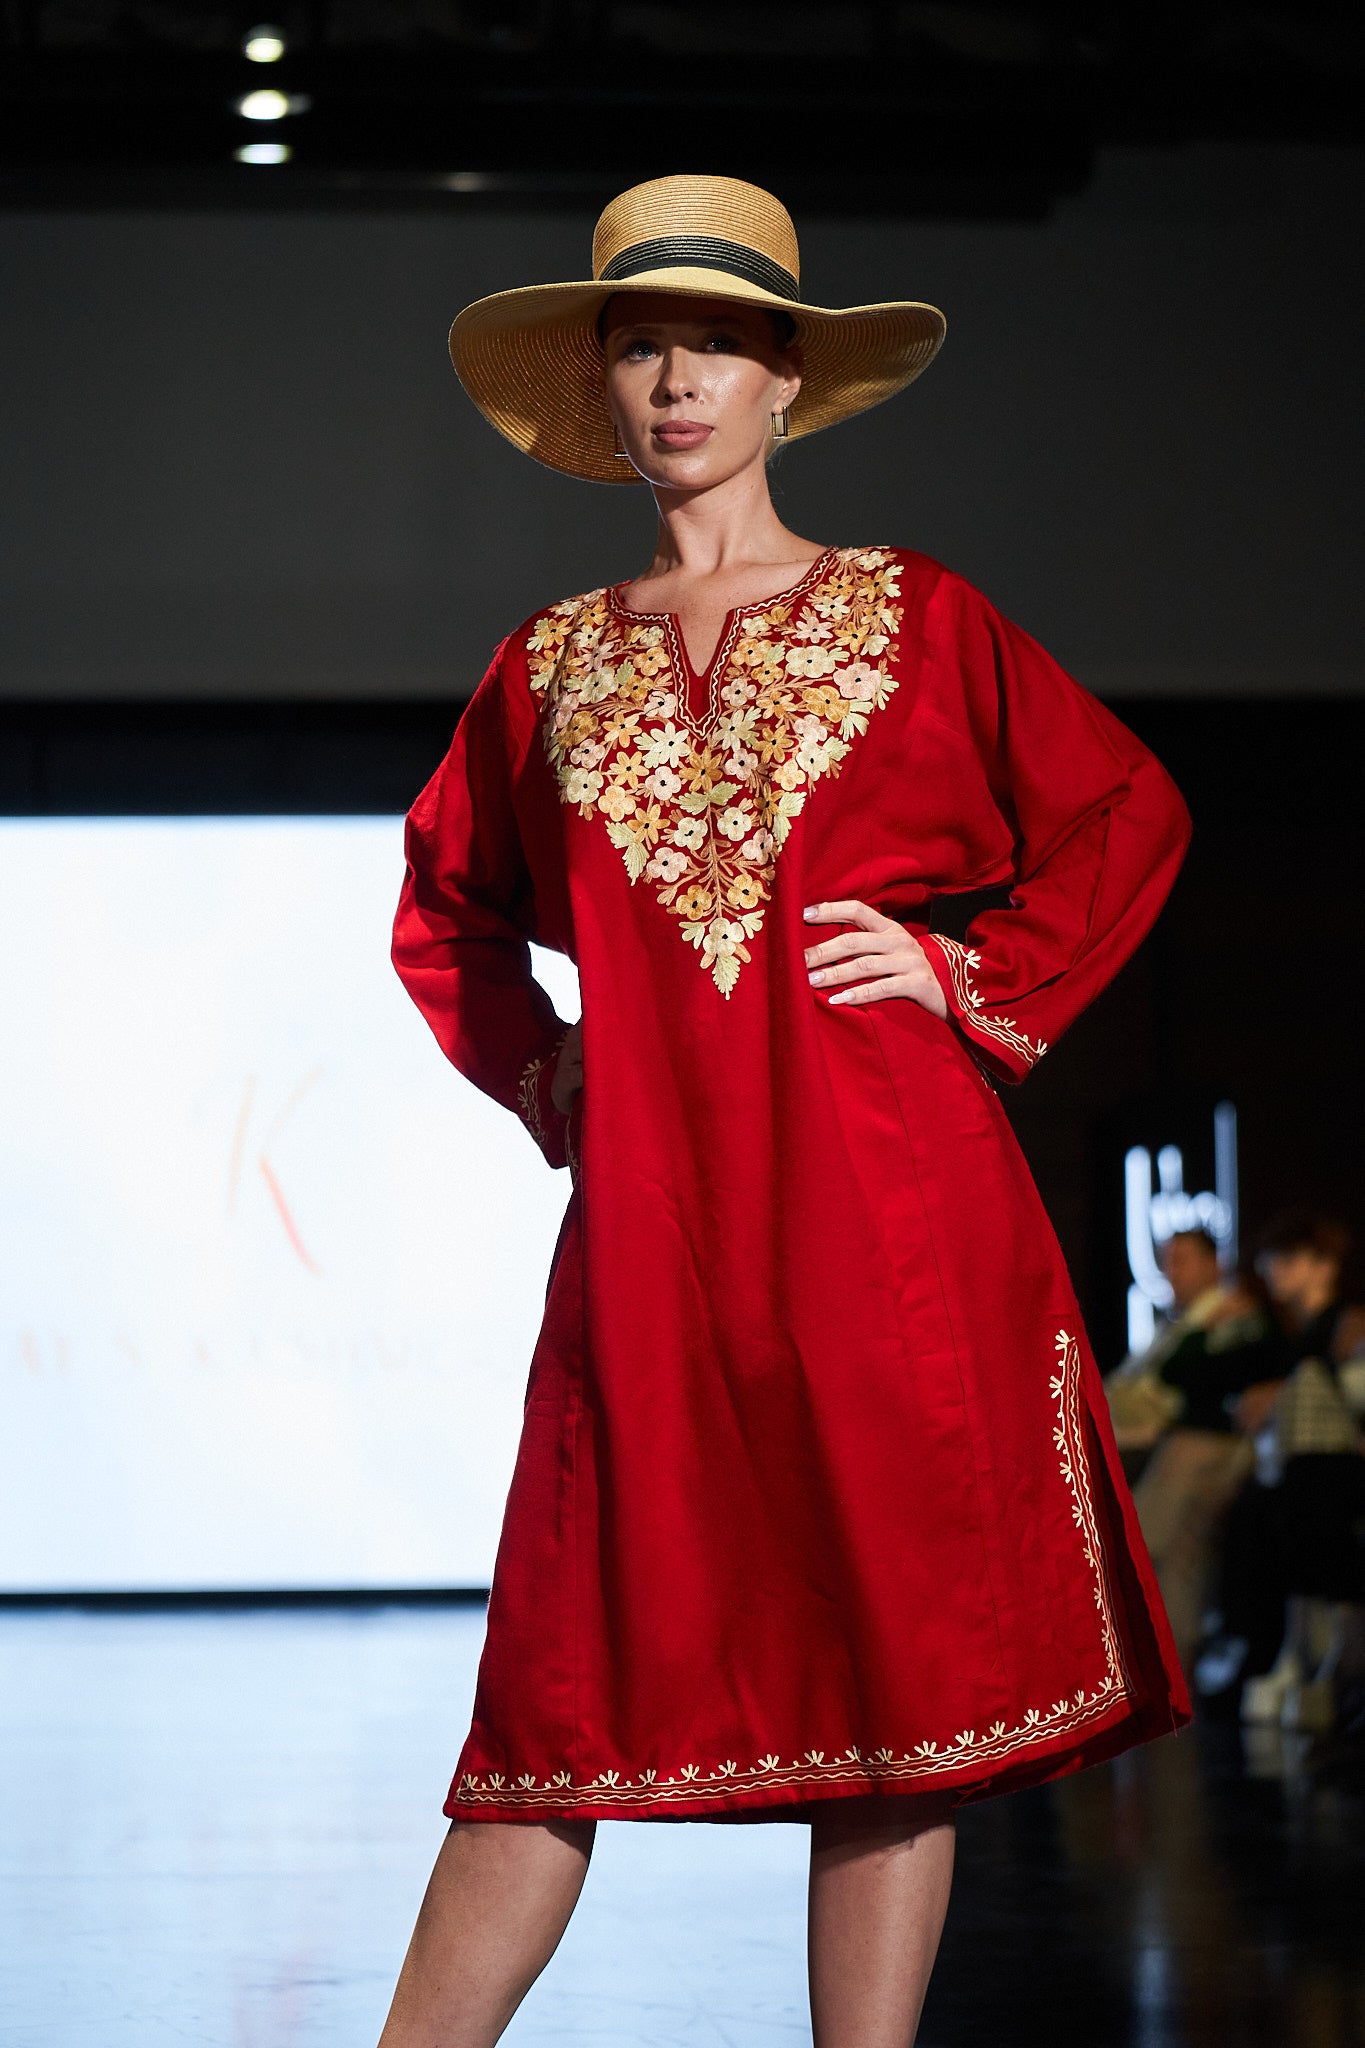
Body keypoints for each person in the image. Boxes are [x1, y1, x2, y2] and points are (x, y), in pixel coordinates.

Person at [383, 173, 1195, 2048]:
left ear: (785, 384)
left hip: (889, 1220)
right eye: (645, 343)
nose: (681, 377)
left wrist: (965, 981)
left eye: (723, 343)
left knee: (890, 1690)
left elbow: (1124, 812)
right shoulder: (549, 666)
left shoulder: (916, 620)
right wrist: (541, 1060)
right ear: (604, 383)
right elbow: (445, 910)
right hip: (655, 1242)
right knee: (550, 1710)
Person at [1117, 1230, 1288, 1672]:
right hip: (1171, 1447)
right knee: (1177, 1559)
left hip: (1209, 1446)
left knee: (1158, 1548)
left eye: (1183, 1260)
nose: (1172, 1272)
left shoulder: (1234, 1316)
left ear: (1215, 1264)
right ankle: (1171, 1660)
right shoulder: (1181, 1322)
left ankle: (1169, 1662)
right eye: (1167, 1261)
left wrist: (1198, 1338)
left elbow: (1188, 1373)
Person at [1238, 1211, 1365, 1731]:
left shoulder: (1344, 1324)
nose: (1273, 1271)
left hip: (1334, 1463)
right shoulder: (1296, 1334)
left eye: (1288, 1260)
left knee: (1295, 1497)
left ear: (1322, 1266)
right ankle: (1296, 1658)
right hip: (1306, 1467)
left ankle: (1312, 1660)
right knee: (1268, 1506)